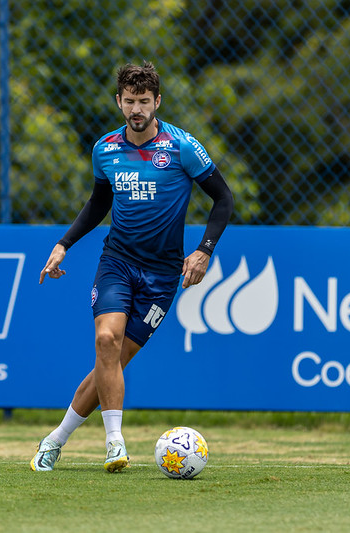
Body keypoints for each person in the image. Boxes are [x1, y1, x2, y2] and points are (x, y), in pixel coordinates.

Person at [31, 61, 234, 473]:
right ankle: (114, 444)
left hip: (162, 277)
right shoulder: (105, 149)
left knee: (112, 365)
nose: (137, 109)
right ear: (118, 102)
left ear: (157, 101)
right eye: (129, 102)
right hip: (118, 263)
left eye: (144, 101)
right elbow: (98, 204)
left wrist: (204, 250)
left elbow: (223, 199)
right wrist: (62, 244)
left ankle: (55, 439)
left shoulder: (182, 147)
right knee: (106, 340)